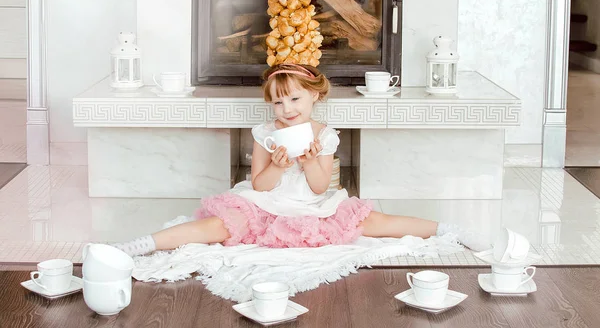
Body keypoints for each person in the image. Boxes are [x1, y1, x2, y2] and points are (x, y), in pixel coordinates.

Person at [113, 64, 488, 257]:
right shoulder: (265, 132)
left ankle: (446, 230)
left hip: (313, 204)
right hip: (267, 203)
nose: (286, 109)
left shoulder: (324, 135)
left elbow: (322, 186)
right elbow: (258, 184)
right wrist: (277, 165)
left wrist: (310, 161)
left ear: (313, 98)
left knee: (374, 222)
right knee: (218, 226)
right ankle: (144, 244)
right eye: (278, 102)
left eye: (294, 100)